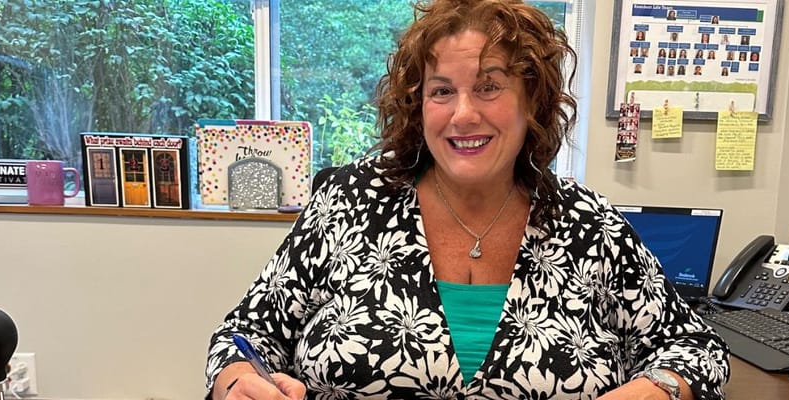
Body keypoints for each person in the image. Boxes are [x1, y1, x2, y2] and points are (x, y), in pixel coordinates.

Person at [204, 1, 731, 399]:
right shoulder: (347, 202)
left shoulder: (588, 224)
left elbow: (698, 349)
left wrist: (651, 389)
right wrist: (238, 380)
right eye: (441, 91)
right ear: (418, 106)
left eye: (488, 87)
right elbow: (243, 335)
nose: (462, 114)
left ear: (533, 102)